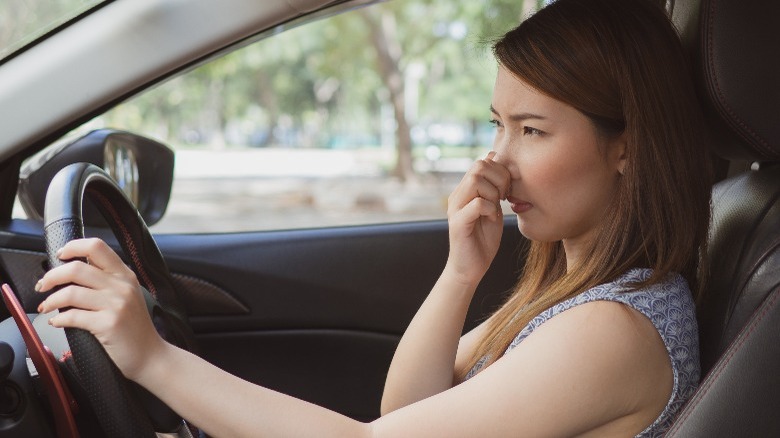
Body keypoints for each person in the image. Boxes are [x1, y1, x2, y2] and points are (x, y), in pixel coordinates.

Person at [35, 0, 713, 436]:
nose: (496, 162)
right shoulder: (569, 295)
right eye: (497, 125)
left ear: (625, 146)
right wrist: (459, 273)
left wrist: (154, 359)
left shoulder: (614, 328)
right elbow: (406, 413)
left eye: (532, 131)